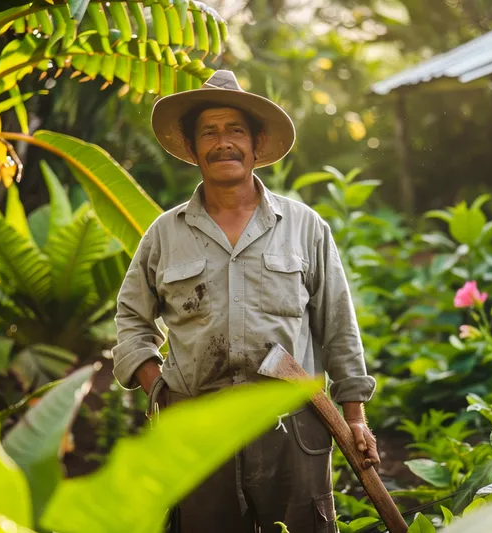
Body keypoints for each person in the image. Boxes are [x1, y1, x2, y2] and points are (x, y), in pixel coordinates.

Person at [112, 69, 379, 533]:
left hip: (292, 428)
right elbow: (131, 320)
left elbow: (338, 325)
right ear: (194, 149)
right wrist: (159, 387)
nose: (223, 143)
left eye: (235, 130)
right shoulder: (165, 234)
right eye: (209, 133)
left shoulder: (304, 226)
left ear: (256, 145)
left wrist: (354, 416)